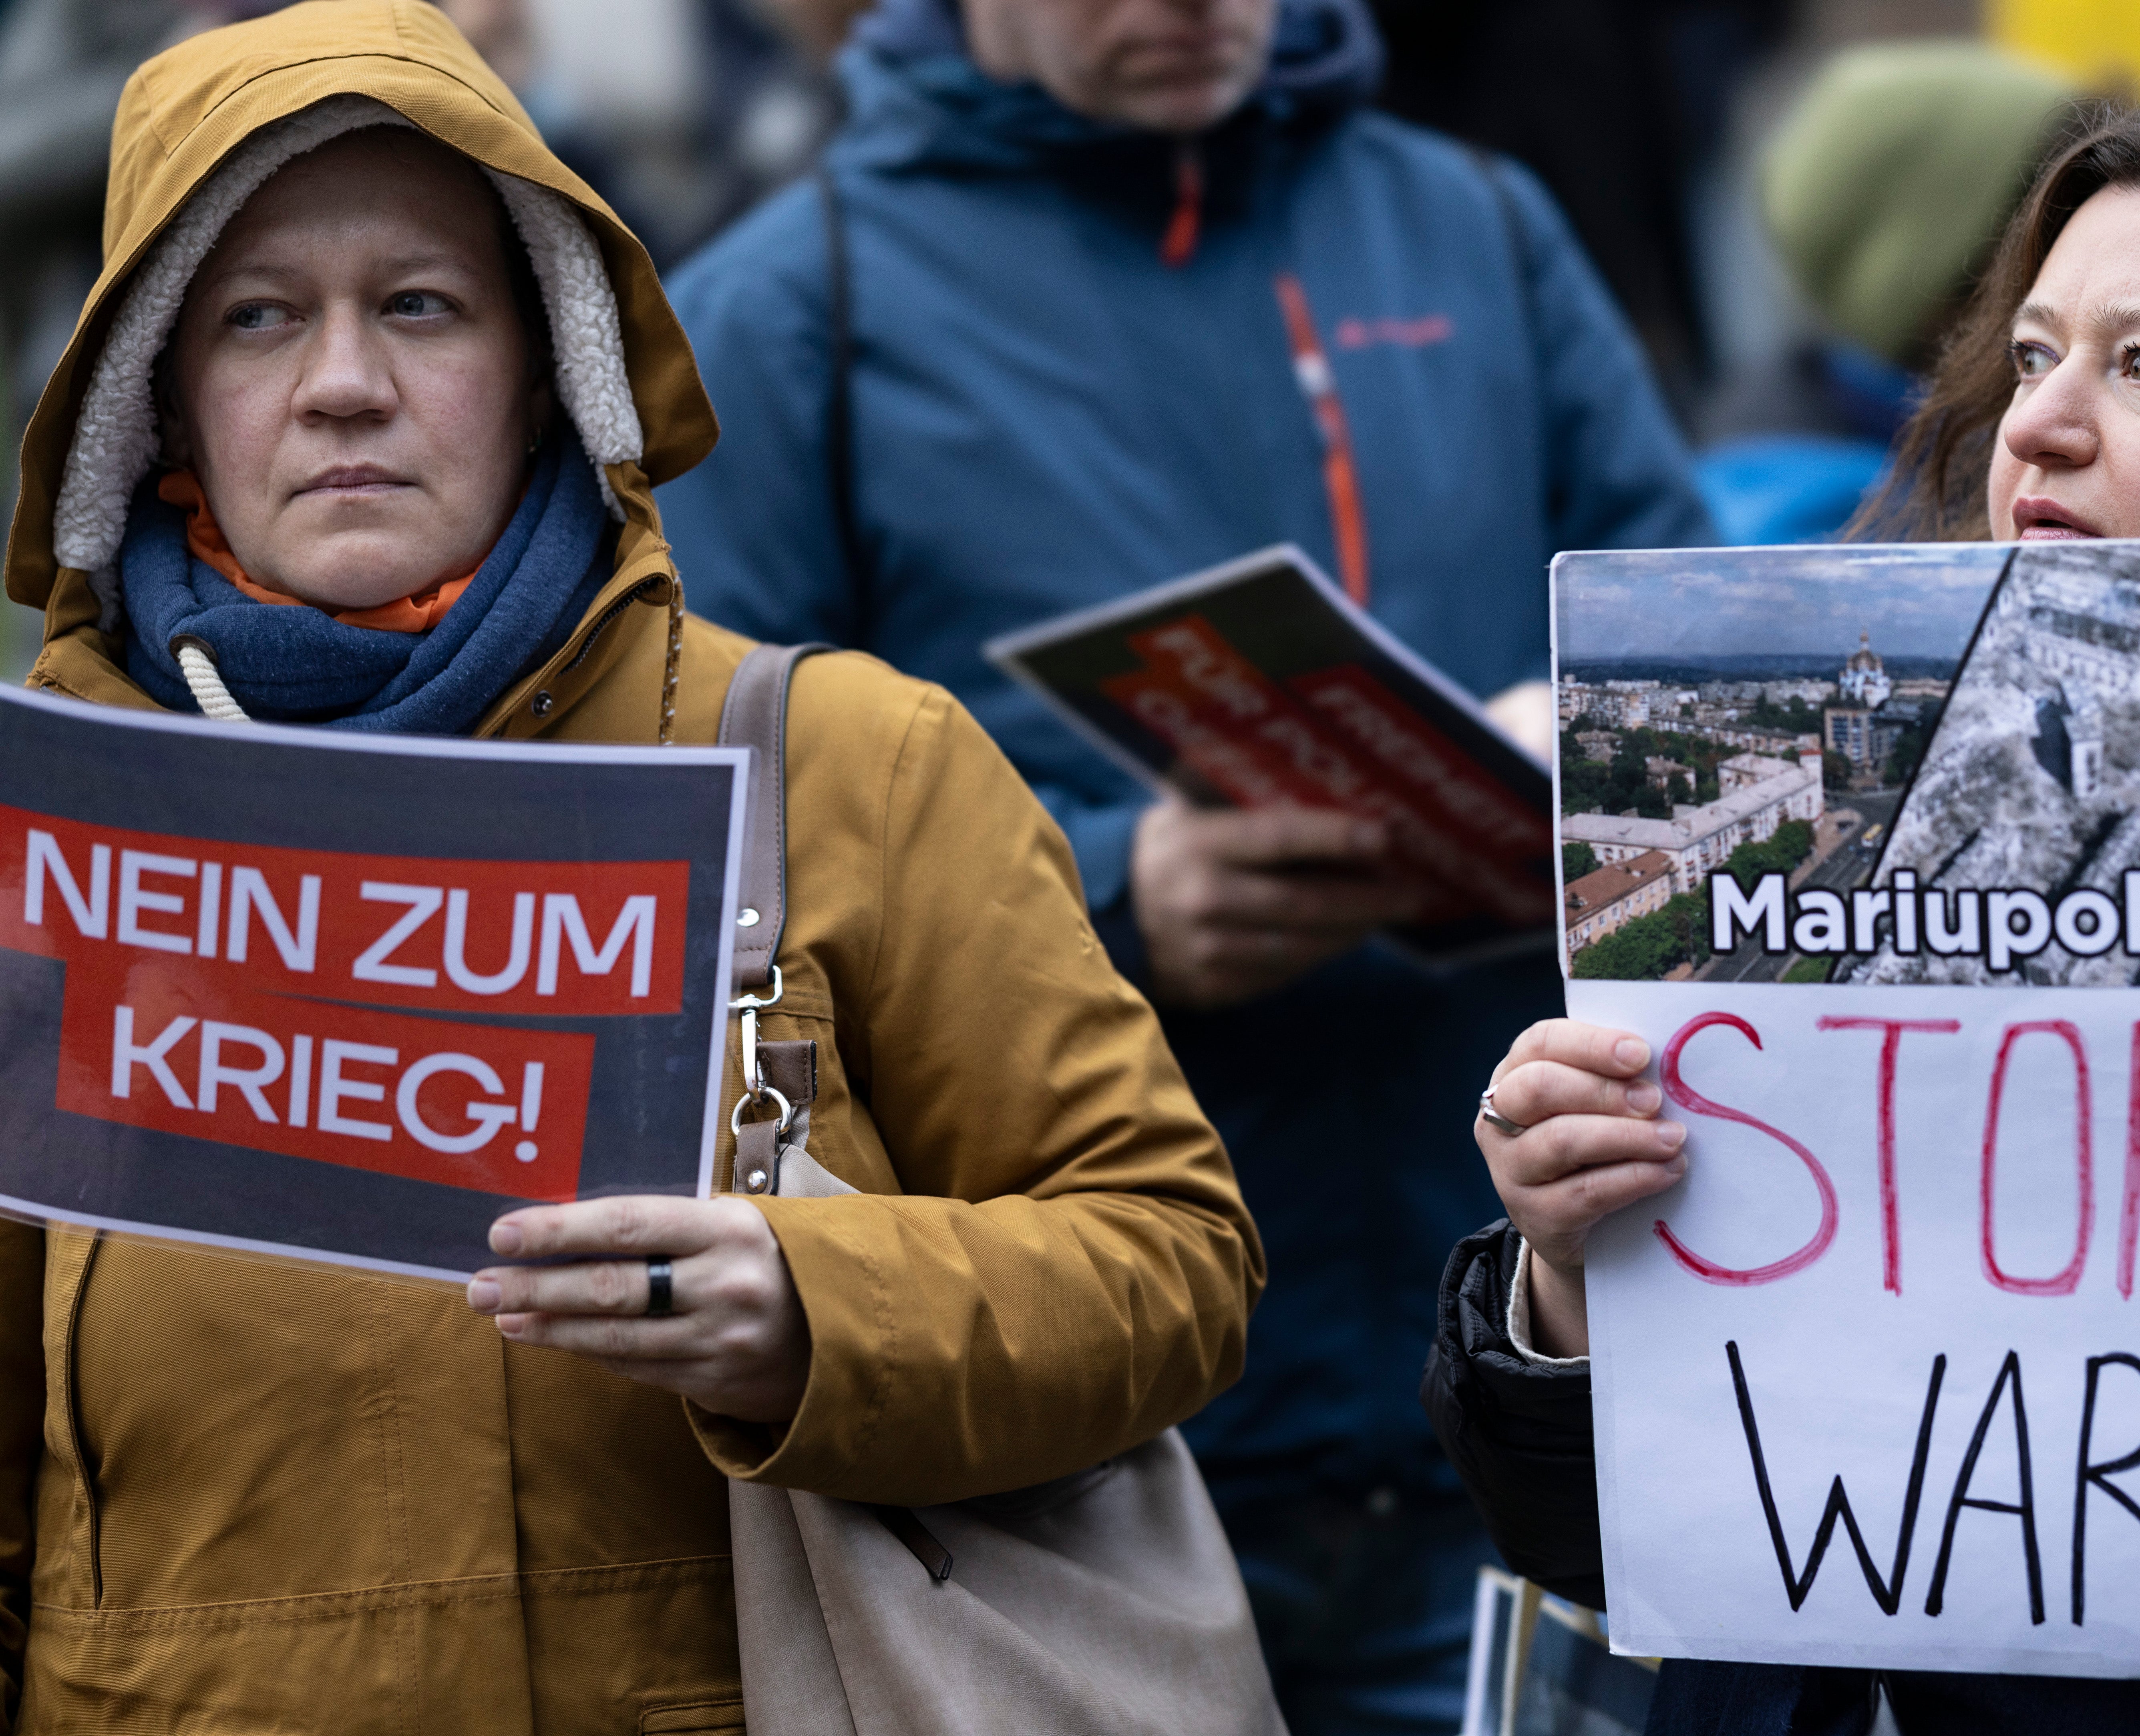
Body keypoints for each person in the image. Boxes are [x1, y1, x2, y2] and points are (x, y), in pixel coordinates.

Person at [0, 4, 1262, 1728]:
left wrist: (814, 1309)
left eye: (421, 305)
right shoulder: (47, 837)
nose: (345, 379)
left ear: (548, 368)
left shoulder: (839, 762)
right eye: (258, 317)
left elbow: (1170, 1264)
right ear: (160, 402)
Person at [1426, 76, 2140, 1736]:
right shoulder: (1826, 787)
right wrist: (1564, 1283)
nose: (2037, 426)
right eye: (2033, 355)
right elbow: (1640, 1538)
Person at [653, 0, 1710, 1722]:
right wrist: (1110, 891)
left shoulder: (1472, 225)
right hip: (1084, 1451)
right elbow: (708, 824)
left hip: (1508, 1390)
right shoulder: (799, 303)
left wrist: (1573, 789)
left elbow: (1689, 641)